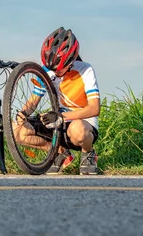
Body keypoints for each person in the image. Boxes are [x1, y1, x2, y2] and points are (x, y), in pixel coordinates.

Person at [13, 27, 101, 175]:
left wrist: (62, 117)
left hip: (82, 121)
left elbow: (94, 109)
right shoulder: (50, 71)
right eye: (51, 68)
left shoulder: (86, 70)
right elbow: (33, 101)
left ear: (71, 60)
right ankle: (60, 153)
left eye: (59, 69)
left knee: (77, 129)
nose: (55, 73)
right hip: (57, 121)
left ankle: (88, 154)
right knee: (16, 131)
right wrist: (23, 113)